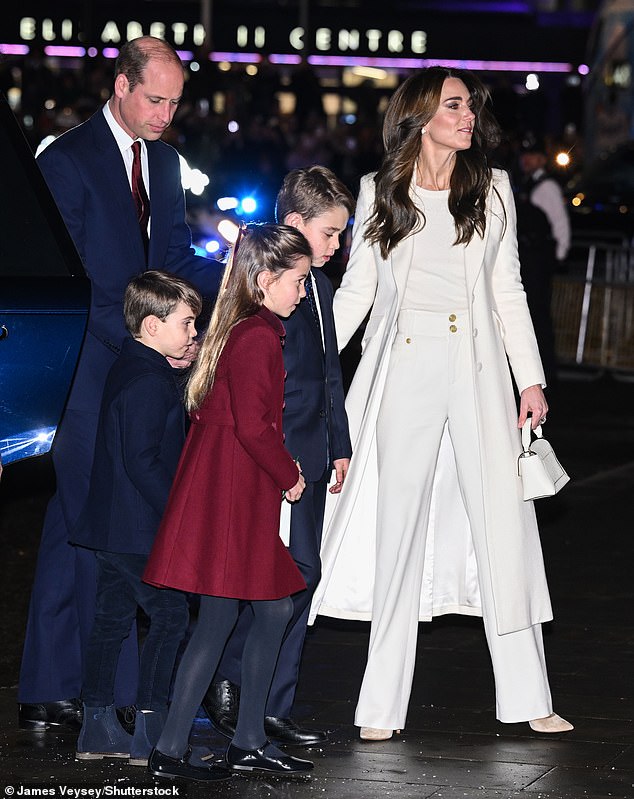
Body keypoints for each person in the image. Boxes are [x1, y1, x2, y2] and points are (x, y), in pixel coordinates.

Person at [309, 67, 574, 741]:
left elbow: (508, 290)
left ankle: (529, 696)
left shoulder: (495, 189)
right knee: (398, 527)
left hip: (478, 369)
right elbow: (356, 294)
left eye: (468, 105)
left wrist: (531, 378)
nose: (469, 115)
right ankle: (378, 706)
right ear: (421, 115)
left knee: (502, 527)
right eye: (454, 104)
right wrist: (307, 364)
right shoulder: (378, 191)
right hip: (403, 369)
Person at [18, 36, 223, 732]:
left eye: (175, 103)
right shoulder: (67, 159)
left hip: (138, 375)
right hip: (84, 373)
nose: (166, 114)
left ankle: (49, 687)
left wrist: (236, 280)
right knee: (117, 533)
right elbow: (69, 279)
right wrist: (147, 342)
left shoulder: (163, 163)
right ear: (121, 86)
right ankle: (125, 700)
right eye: (155, 99)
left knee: (74, 527)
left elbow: (168, 259)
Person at [143, 224, 315, 780]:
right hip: (236, 491)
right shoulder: (256, 336)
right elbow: (252, 426)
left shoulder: (244, 329)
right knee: (261, 610)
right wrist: (288, 473)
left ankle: (212, 745)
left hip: (230, 487)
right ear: (264, 280)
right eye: (298, 281)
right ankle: (212, 745)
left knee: (234, 615)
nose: (303, 292)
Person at [203, 166, 354, 746]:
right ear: (294, 224)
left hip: (312, 453)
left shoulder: (320, 287)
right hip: (270, 455)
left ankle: (272, 701)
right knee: (264, 575)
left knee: (301, 576)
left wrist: (339, 442)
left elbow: (329, 372)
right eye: (330, 233)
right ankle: (232, 682)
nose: (337, 245)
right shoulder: (258, 288)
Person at [71, 272, 201, 767]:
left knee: (111, 619)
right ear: (152, 325)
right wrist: (179, 511)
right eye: (187, 323)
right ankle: (151, 728)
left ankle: (97, 727)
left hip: (112, 524)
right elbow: (142, 460)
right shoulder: (148, 380)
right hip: (137, 527)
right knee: (169, 616)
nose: (194, 332)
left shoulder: (130, 365)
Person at [516, 133, 571, 389]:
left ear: (541, 159)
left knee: (538, 316)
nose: (526, 160)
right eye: (524, 156)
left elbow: (560, 225)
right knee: (531, 315)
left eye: (532, 156)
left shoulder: (546, 186)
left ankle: (546, 374)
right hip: (528, 258)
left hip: (539, 259)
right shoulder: (525, 184)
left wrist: (556, 258)